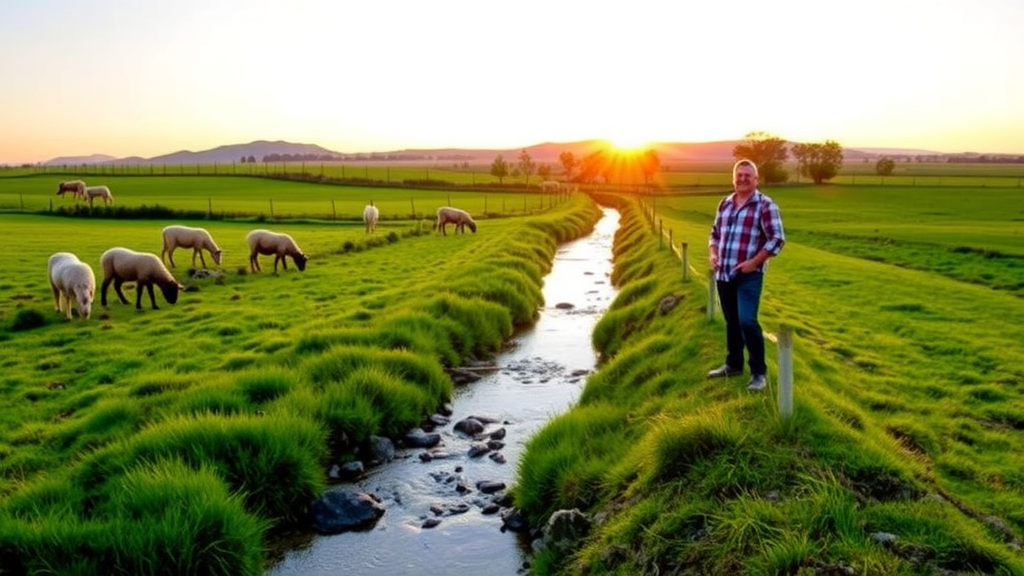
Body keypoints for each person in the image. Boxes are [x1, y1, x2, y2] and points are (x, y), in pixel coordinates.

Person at [707, 159, 785, 391]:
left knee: (747, 321)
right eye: (739, 175)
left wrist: (754, 262)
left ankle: (759, 373)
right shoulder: (725, 204)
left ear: (756, 179)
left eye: (747, 176)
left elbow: (777, 239)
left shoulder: (765, 205)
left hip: (749, 275)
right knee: (732, 322)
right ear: (733, 178)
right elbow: (714, 234)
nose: (742, 179)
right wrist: (713, 253)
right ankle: (733, 365)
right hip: (723, 274)